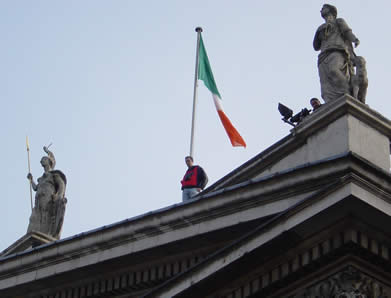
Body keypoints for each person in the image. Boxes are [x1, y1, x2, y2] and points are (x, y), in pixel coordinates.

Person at [313, 4, 360, 103]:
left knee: (334, 70)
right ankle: (330, 102)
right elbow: (316, 46)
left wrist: (354, 39)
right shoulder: (320, 27)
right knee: (325, 82)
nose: (320, 10)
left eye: (323, 8)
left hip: (337, 50)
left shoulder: (339, 21)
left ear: (331, 10)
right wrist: (319, 32)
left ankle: (347, 93)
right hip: (323, 56)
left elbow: (347, 32)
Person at [27, 146, 67, 239]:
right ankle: (35, 233)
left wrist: (58, 195)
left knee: (46, 215)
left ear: (49, 161)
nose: (41, 161)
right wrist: (31, 179)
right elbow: (35, 188)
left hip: (47, 197)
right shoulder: (41, 178)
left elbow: (61, 185)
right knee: (36, 216)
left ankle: (46, 233)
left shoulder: (53, 174)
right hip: (38, 199)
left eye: (43, 159)